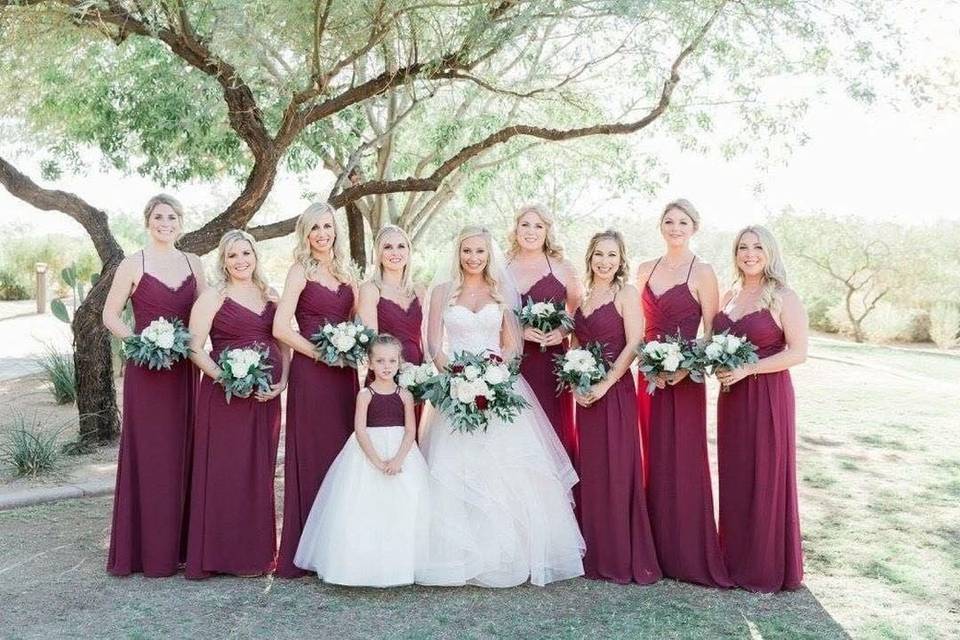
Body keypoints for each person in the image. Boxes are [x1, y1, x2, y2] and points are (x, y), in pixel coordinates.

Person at [416, 225, 584, 588]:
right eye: (467, 251)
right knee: (454, 468)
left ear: (489, 254)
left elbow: (512, 346)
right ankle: (457, 556)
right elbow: (433, 346)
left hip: (498, 388)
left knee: (505, 470)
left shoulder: (499, 290)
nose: (473, 258)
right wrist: (460, 380)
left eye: (479, 251)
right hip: (454, 389)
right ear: (457, 253)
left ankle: (507, 554)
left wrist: (492, 379)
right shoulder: (443, 291)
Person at [103, 194, 204, 577]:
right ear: (148, 221)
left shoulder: (194, 263)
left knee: (184, 451)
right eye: (159, 217)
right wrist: (138, 341)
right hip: (146, 374)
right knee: (151, 455)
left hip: (183, 372)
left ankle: (182, 547)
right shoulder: (134, 263)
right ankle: (147, 552)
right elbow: (109, 314)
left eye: (172, 217)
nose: (166, 222)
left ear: (181, 222)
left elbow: (206, 309)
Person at [635, 199, 731, 587]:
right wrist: (651, 365)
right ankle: (654, 549)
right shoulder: (645, 269)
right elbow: (637, 327)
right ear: (661, 226)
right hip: (651, 378)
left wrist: (685, 366)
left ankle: (688, 553)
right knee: (652, 456)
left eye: (683, 222)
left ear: (695, 227)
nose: (675, 228)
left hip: (687, 380)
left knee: (685, 458)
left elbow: (712, 330)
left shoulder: (703, 271)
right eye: (669, 221)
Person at [184, 230, 289, 579]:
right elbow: (195, 347)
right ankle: (219, 555)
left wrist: (282, 382)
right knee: (226, 471)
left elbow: (283, 343)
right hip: (225, 398)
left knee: (258, 472)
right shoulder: (213, 297)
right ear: (223, 261)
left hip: (265, 397)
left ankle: (254, 557)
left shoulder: (270, 295)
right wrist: (225, 378)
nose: (241, 260)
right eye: (233, 255)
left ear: (256, 256)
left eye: (246, 253)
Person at [714, 225, 808, 592]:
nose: (749, 253)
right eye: (742, 247)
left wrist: (748, 368)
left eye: (757, 247)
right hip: (732, 398)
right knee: (736, 473)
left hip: (768, 395)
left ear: (770, 252)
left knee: (765, 475)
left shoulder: (784, 296)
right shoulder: (729, 294)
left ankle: (765, 564)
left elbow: (798, 352)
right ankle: (734, 557)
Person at [294, 334, 429, 587]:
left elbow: (411, 430)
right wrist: (378, 461)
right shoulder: (365, 395)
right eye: (380, 360)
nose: (386, 366)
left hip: (401, 453)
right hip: (368, 453)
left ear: (399, 362)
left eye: (391, 360)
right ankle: (362, 565)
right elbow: (361, 430)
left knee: (405, 505)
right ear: (370, 363)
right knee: (365, 506)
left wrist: (398, 459)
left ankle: (402, 563)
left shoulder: (405, 395)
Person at [273, 203, 360, 578]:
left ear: (335, 230)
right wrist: (321, 354)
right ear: (305, 235)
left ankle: (340, 547)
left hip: (345, 375)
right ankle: (305, 550)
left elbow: (357, 321)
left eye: (327, 226)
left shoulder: (348, 271)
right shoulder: (300, 271)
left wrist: (352, 347)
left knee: (345, 454)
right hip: (313, 374)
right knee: (313, 454)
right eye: (315, 228)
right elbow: (280, 327)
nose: (322, 234)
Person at [572, 229, 661, 585]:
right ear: (590, 257)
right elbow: (576, 341)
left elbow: (636, 341)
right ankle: (594, 552)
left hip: (616, 391)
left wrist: (606, 382)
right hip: (586, 396)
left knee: (619, 468)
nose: (605, 262)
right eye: (599, 255)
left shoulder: (625, 293)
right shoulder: (580, 296)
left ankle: (621, 555)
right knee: (592, 469)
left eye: (612, 255)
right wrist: (578, 384)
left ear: (621, 259)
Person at [506, 204, 580, 458]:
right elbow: (491, 312)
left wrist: (561, 331)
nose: (531, 231)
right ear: (515, 229)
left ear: (547, 231)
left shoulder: (562, 267)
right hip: (513, 363)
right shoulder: (501, 267)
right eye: (525, 224)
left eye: (538, 226)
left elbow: (578, 312)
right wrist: (518, 330)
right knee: (516, 430)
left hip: (552, 362)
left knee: (552, 427)